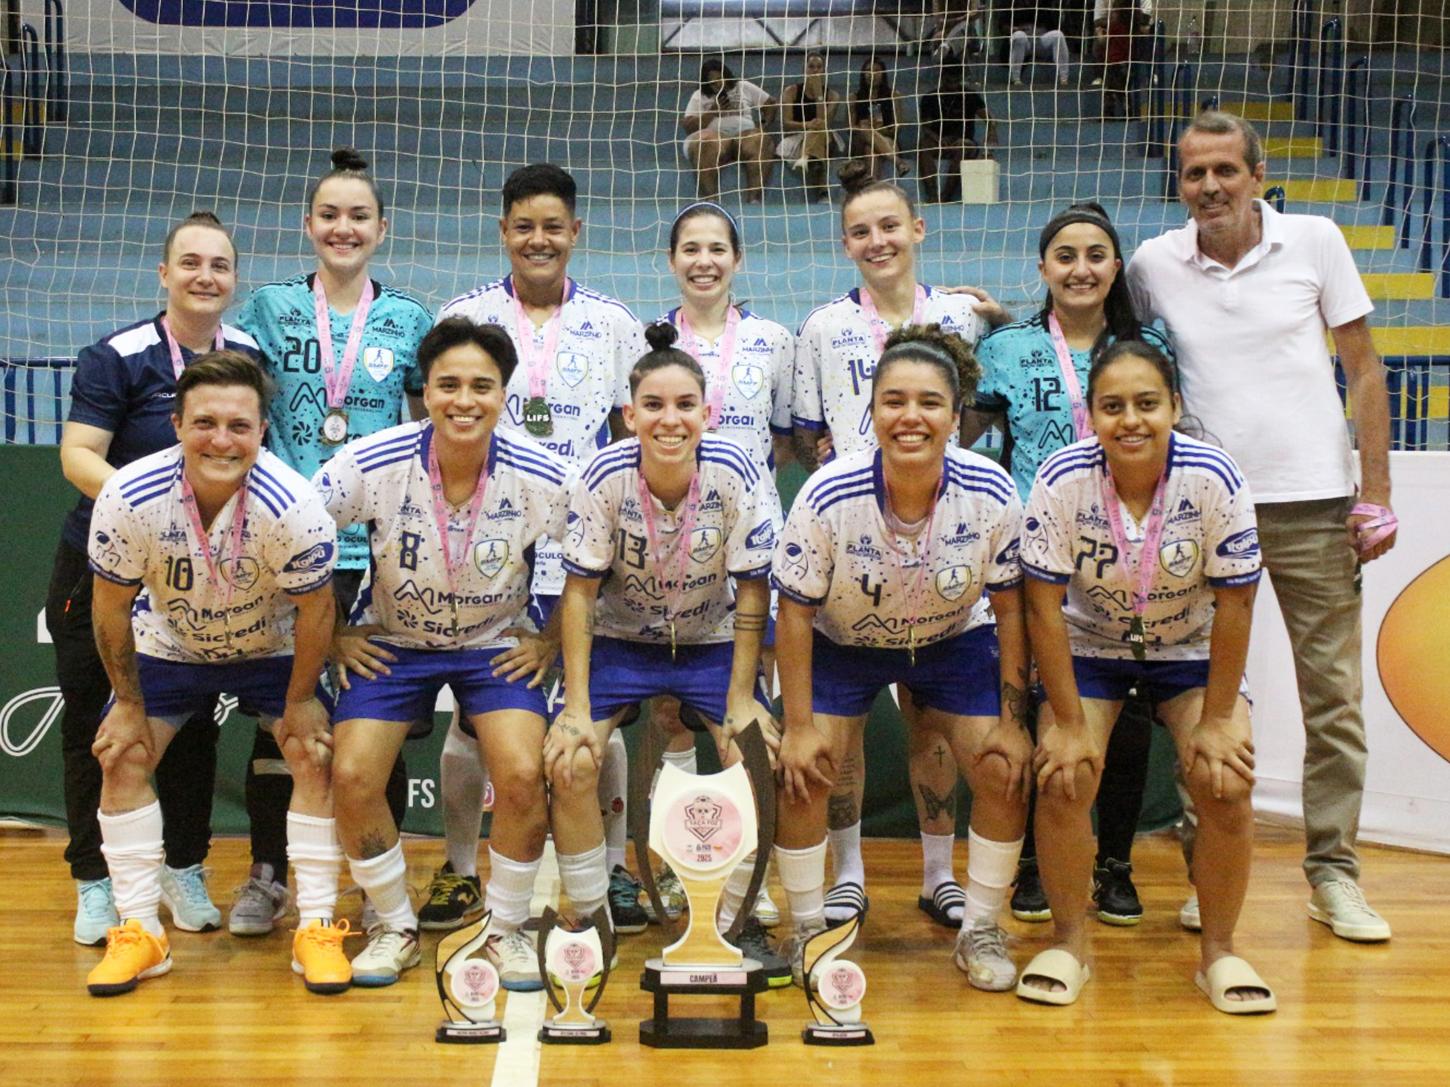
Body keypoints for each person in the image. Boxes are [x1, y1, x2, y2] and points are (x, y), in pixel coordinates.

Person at [1127, 110, 1396, 942]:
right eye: (1194, 173)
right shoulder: (1151, 265)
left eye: (1224, 171)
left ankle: (1334, 873)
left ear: (1256, 173)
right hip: (1202, 514)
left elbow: (1364, 368)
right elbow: (1115, 347)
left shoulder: (1315, 241)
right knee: (1200, 699)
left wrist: (1375, 493)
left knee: (1335, 699)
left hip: (1316, 506)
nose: (1209, 186)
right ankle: (1210, 868)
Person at [1019, 340, 1275, 1015]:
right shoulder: (1061, 477)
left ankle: (1219, 951)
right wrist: (1070, 722)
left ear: (1175, 407)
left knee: (1226, 779)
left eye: (1146, 403)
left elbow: (1238, 601)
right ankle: (1070, 943)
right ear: (1091, 415)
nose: (1130, 419)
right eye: (1112, 406)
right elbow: (1043, 606)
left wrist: (1219, 720)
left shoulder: (1214, 477)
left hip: (1188, 647)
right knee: (1066, 772)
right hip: (1091, 643)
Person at [772, 326, 1031, 989]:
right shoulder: (830, 492)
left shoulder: (993, 489)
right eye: (893, 401)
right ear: (873, 411)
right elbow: (795, 615)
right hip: (843, 641)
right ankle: (805, 925)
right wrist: (797, 728)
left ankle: (980, 927)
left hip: (951, 640)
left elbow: (1010, 608)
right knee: (803, 767)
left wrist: (1013, 718)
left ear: (954, 414)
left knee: (1003, 767)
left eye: (928, 402)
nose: (910, 416)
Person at [319, 317, 571, 990]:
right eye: (448, 384)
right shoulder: (370, 460)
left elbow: (588, 559)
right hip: (395, 642)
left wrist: (547, 637)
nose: (465, 400)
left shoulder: (541, 472)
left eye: (482, 386)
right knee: (351, 777)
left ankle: (508, 926)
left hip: (495, 642)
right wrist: (337, 632)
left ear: (504, 393)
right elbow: (299, 536)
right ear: (424, 391)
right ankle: (394, 923)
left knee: (521, 775)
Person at [431, 164, 646, 935]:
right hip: (487, 545)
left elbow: (632, 439)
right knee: (469, 716)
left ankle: (616, 870)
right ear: (503, 232)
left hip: (584, 548)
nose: (539, 239)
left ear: (576, 233)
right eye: (524, 225)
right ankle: (460, 870)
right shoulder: (465, 314)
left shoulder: (616, 323)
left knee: (594, 712)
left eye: (553, 226)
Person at [83, 351, 338, 996]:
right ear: (176, 425)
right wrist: (127, 702)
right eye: (205, 423)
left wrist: (303, 698)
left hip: (270, 646)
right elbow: (110, 607)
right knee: (122, 755)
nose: (221, 440)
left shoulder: (295, 503)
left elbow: (317, 610)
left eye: (239, 425)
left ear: (261, 431)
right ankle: (141, 933)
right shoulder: (128, 494)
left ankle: (315, 929)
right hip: (171, 644)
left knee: (313, 753)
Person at [543, 323, 789, 983]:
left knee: (757, 758)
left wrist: (742, 698)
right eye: (653, 405)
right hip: (623, 641)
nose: (669, 418)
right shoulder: (602, 473)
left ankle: (736, 921)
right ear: (630, 415)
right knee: (570, 760)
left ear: (708, 412)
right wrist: (576, 705)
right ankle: (592, 917)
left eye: (685, 405)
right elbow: (578, 594)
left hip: (710, 641)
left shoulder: (738, 469)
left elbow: (754, 588)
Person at [792, 182, 1009, 930]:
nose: (877, 239)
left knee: (931, 727)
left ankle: (938, 876)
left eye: (890, 225)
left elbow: (994, 392)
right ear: (845, 242)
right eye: (860, 230)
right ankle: (847, 874)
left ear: (917, 228)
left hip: (944, 538)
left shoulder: (963, 316)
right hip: (854, 545)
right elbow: (803, 434)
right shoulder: (821, 327)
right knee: (840, 740)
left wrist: (1003, 322)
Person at [50, 211, 260, 947]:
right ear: (163, 273)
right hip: (108, 566)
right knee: (101, 729)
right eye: (191, 262)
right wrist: (152, 520)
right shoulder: (119, 355)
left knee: (194, 719)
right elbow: (78, 454)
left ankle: (185, 865)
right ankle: (96, 882)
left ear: (235, 280)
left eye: (221, 265)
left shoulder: (249, 354)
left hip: (212, 572)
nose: (206, 276)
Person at [235, 147, 430, 937]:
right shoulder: (269, 308)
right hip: (286, 550)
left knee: (373, 719)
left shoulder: (411, 318)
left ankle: (371, 878)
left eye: (359, 215)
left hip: (377, 554)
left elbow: (424, 435)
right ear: (307, 224)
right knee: (281, 721)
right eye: (330, 214)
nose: (343, 227)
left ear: (382, 227)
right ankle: (269, 872)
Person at [966, 201, 1173, 926]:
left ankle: (1113, 861)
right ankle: (1029, 858)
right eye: (1065, 255)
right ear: (1044, 269)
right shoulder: (1007, 348)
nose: (1080, 268)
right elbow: (985, 450)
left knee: (1130, 708)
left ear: (1116, 266)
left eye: (1095, 255)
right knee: (1029, 705)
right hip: (1033, 559)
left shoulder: (1150, 343)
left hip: (1131, 557)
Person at [646, 200, 796, 926]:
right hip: (666, 552)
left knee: (745, 723)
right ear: (671, 260)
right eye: (690, 248)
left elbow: (793, 442)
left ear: (738, 260)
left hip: (750, 555)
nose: (704, 259)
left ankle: (747, 872)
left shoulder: (773, 339)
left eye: (717, 248)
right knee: (669, 715)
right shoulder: (647, 341)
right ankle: (673, 867)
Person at [681, 58, 777, 202]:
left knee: (762, 140)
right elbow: (688, 126)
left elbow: (770, 104)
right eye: (713, 82)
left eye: (720, 79)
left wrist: (763, 125)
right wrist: (713, 111)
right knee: (704, 144)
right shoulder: (699, 95)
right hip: (716, 138)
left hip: (745, 137)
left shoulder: (743, 86)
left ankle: (754, 200)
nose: (718, 84)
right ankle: (711, 201)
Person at [917, 64, 998, 204]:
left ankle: (946, 194)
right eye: (949, 81)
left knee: (963, 147)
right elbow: (925, 127)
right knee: (924, 145)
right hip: (938, 140)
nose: (953, 85)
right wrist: (938, 138)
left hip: (964, 141)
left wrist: (990, 136)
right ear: (942, 79)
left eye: (956, 81)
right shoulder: (930, 98)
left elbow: (990, 120)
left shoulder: (970, 96)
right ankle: (931, 192)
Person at [778, 51, 842, 203]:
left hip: (824, 137)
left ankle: (807, 158)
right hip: (797, 138)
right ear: (805, 69)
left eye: (819, 67)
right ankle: (822, 190)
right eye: (811, 66)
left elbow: (822, 122)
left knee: (820, 131)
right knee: (816, 133)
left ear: (824, 70)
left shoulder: (833, 96)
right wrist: (806, 125)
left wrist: (819, 94)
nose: (815, 70)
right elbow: (786, 124)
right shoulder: (791, 91)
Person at [848, 56, 910, 182]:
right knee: (865, 129)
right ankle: (898, 163)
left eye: (876, 71)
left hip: (887, 139)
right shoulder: (854, 97)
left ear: (883, 74)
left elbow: (897, 127)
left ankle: (871, 186)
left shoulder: (893, 95)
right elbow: (849, 128)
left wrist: (879, 130)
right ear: (863, 74)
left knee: (871, 149)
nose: (872, 75)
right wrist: (864, 128)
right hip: (860, 142)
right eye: (868, 71)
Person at [1005, 2, 1072, 87]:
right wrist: (1018, 29)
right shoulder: (1014, 3)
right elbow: (1003, 26)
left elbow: (1054, 25)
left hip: (1041, 40)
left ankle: (1064, 78)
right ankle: (1015, 79)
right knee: (1019, 36)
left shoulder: (1044, 4)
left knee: (1058, 35)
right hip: (1023, 43)